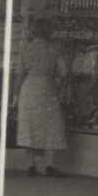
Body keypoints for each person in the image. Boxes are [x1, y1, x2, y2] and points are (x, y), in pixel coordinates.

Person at [11, 17, 69, 176]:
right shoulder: (53, 49)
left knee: (29, 126)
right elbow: (64, 71)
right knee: (50, 126)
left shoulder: (25, 49)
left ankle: (31, 165)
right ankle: (50, 164)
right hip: (47, 88)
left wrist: (15, 96)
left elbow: (19, 74)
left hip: (28, 88)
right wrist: (54, 78)